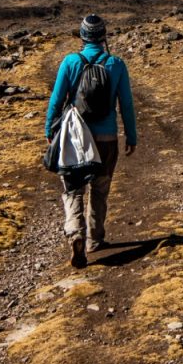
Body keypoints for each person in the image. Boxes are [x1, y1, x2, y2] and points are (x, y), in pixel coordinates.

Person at [45, 14, 137, 268]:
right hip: (107, 138)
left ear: (83, 36)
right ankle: (94, 239)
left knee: (73, 187)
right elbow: (126, 104)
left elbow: (56, 99)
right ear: (104, 36)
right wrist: (131, 135)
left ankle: (76, 232)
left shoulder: (70, 62)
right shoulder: (116, 64)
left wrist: (49, 130)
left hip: (75, 138)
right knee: (100, 188)